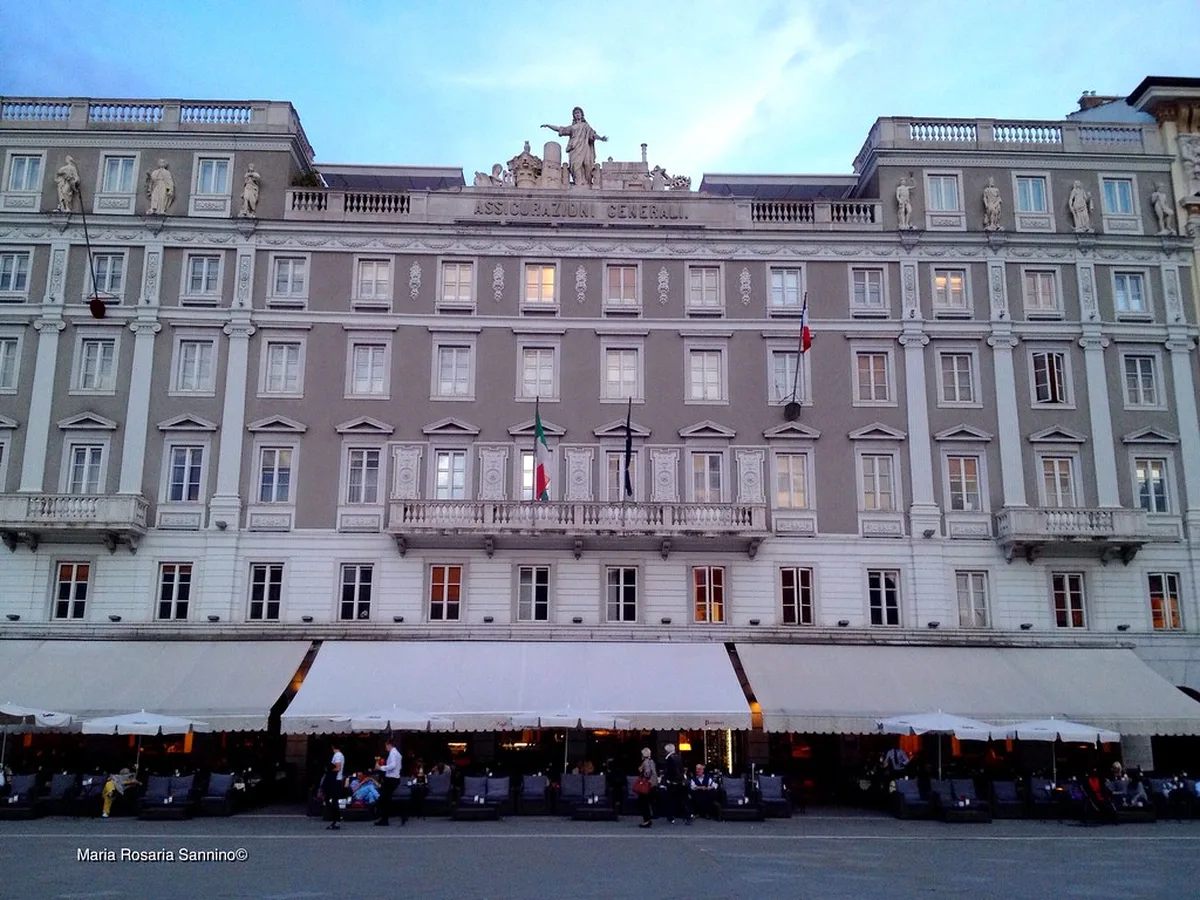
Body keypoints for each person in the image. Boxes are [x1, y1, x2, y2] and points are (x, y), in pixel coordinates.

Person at [542, 106, 607, 188]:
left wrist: (601, 138)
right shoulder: (572, 128)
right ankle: (578, 183)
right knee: (575, 165)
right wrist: (548, 125)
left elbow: (592, 135)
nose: (577, 115)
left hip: (585, 147)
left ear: (582, 115)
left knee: (587, 164)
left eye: (578, 113)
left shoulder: (586, 126)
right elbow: (560, 129)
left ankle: (587, 182)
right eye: (575, 113)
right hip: (574, 148)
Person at [375, 737, 405, 826]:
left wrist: (381, 768)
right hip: (394, 778)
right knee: (386, 799)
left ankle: (386, 819)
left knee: (384, 798)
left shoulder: (393, 753)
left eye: (386, 745)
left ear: (389, 745)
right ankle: (387, 818)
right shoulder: (397, 754)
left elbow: (392, 765)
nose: (385, 747)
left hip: (391, 779)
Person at [661, 742, 684, 823]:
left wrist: (664, 778)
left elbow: (668, 771)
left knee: (669, 799)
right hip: (678, 781)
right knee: (678, 798)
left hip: (671, 781)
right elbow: (681, 769)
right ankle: (684, 814)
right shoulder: (678, 757)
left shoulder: (669, 759)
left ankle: (670, 816)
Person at [636, 747, 657, 828]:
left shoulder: (646, 762)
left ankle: (646, 820)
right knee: (646, 802)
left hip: (646, 785)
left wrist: (641, 770)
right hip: (651, 785)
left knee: (642, 803)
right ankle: (648, 819)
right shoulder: (652, 761)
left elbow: (647, 773)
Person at [321, 762, 343, 829]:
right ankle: (336, 820)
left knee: (331, 805)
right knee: (335, 805)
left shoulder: (328, 775)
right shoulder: (334, 774)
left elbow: (325, 784)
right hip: (334, 792)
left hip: (329, 792)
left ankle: (335, 820)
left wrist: (323, 792)